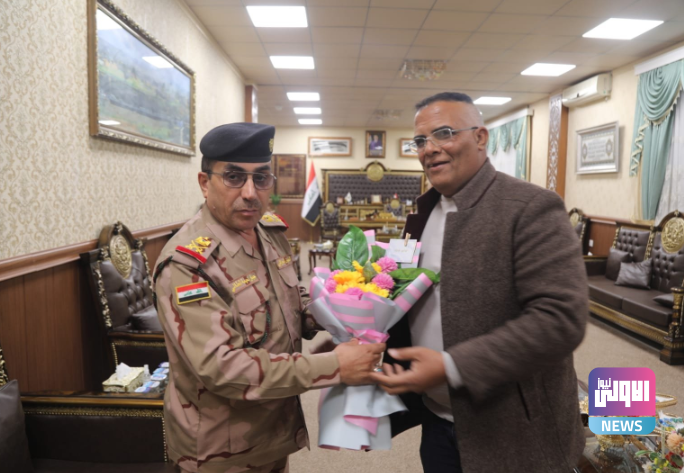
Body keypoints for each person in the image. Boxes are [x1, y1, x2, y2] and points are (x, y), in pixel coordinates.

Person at [371, 92, 588, 473]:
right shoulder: (423, 212)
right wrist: (359, 332)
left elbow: (560, 319)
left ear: (480, 137)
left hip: (515, 430)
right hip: (437, 421)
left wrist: (451, 366)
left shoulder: (531, 207)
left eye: (444, 133)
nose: (429, 149)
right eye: (420, 141)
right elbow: (408, 295)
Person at [153, 122, 385, 473]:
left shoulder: (269, 231)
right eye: (234, 177)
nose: (250, 192)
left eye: (261, 178)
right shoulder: (188, 265)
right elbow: (223, 368)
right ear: (205, 183)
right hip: (222, 449)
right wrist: (336, 366)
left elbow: (289, 299)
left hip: (273, 429)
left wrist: (337, 313)